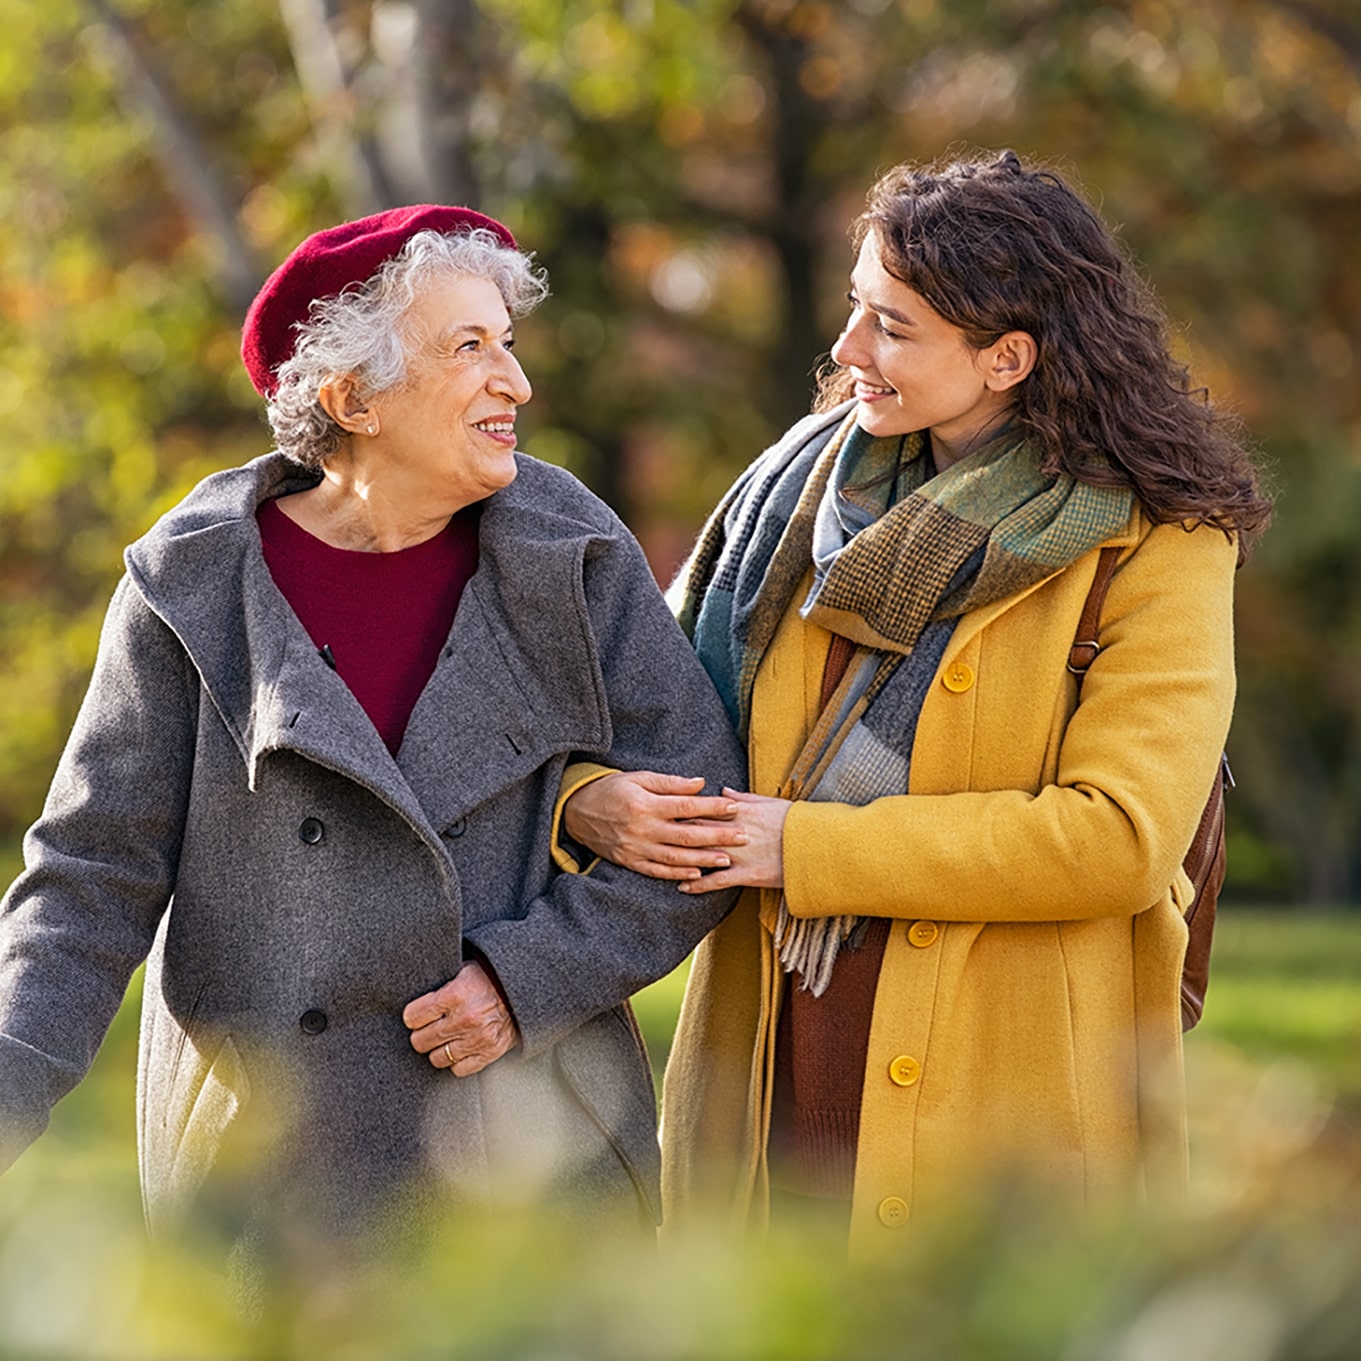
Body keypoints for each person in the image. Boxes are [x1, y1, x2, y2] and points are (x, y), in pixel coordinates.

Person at [561, 150, 1271, 1255]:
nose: (846, 352)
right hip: (769, 1063)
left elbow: (1118, 836)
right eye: (854, 308)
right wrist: (588, 796)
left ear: (1006, 358)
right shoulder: (790, 503)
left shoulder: (1160, 544)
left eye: (890, 327)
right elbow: (629, 711)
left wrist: (808, 847)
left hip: (1006, 1104)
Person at [0, 205, 744, 1260]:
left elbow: (701, 816)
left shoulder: (569, 550)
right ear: (353, 398)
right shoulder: (193, 584)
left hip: (531, 1158)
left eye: (508, 343)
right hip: (270, 1174)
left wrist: (526, 976)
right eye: (469, 348)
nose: (515, 383)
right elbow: (88, 877)